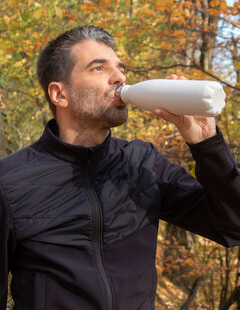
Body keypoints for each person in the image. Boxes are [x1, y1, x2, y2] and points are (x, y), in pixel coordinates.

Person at [0, 25, 239, 310]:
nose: (119, 77)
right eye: (98, 68)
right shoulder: (9, 182)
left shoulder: (143, 163)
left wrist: (206, 145)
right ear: (59, 94)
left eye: (120, 68)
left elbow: (233, 226)